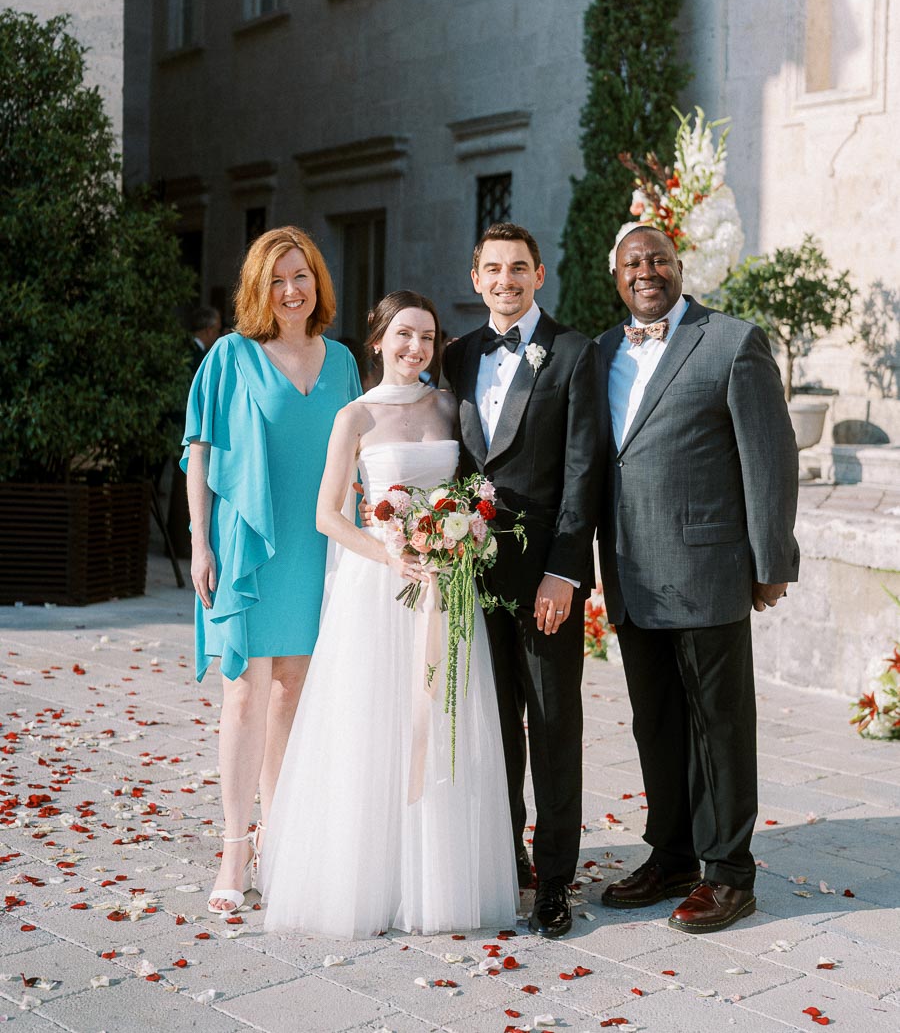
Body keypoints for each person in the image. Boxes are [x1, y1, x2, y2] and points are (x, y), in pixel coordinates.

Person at [261, 291, 518, 938]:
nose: (416, 349)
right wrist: (390, 555)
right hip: (378, 590)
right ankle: (369, 880)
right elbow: (327, 515)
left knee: (439, 722)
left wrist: (458, 541)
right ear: (376, 340)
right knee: (372, 727)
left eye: (428, 338)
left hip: (445, 587)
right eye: (404, 335)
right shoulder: (355, 417)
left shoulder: (446, 407)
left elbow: (469, 492)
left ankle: (435, 882)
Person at [595, 224, 799, 933]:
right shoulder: (600, 354)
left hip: (708, 569)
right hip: (631, 573)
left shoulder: (732, 342)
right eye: (632, 263)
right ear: (615, 276)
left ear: (679, 267)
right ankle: (672, 853)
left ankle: (729, 873)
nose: (646, 271)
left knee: (719, 724)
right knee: (656, 723)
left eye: (658, 259)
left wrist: (771, 563)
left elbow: (770, 459)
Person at [183, 226, 362, 915]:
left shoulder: (343, 360)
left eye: (303, 275)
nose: (292, 289)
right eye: (278, 278)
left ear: (318, 282)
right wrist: (200, 543)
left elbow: (358, 456)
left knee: (293, 689)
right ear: (259, 289)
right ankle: (234, 847)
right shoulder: (230, 356)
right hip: (244, 547)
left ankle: (280, 839)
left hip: (317, 546)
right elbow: (197, 450)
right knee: (245, 694)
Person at [442, 223, 603, 938]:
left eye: (518, 269)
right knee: (493, 726)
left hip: (544, 580)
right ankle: (508, 859)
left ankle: (556, 882)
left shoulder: (574, 354)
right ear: (475, 278)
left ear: (540, 276)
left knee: (553, 724)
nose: (505, 281)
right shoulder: (455, 357)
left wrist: (565, 570)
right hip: (470, 577)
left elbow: (583, 471)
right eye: (492, 269)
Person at [168, 305, 222, 559]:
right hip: (187, 429)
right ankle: (181, 545)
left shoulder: (182, 350)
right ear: (210, 329)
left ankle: (179, 543)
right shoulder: (201, 357)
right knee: (186, 488)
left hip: (183, 428)